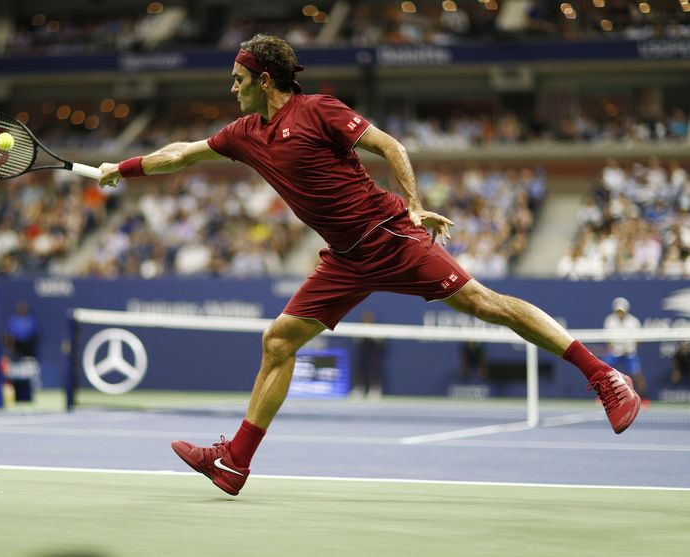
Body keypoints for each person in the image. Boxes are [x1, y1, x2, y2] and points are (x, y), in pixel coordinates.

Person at [98, 34, 641, 496]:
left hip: (389, 236)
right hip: (344, 259)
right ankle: (235, 461)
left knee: (485, 304)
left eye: (238, 78)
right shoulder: (243, 136)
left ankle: (606, 378)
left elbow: (390, 146)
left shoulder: (319, 110)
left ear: (266, 79)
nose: (231, 87)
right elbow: (180, 153)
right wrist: (119, 169)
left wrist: (413, 203)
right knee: (279, 341)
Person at [603, 297, 649, 406]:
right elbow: (609, 340)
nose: (620, 313)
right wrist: (615, 348)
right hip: (616, 353)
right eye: (618, 311)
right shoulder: (610, 321)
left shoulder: (634, 322)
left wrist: (628, 348)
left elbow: (639, 340)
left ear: (626, 310)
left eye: (621, 311)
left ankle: (644, 398)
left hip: (630, 353)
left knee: (637, 375)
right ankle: (603, 397)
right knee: (603, 371)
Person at [351, 309, 385, 399]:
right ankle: (358, 389)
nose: (367, 319)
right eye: (365, 317)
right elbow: (356, 341)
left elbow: (380, 343)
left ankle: (375, 390)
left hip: (373, 356)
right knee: (359, 370)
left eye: (369, 317)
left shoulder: (376, 328)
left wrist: (375, 336)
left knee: (374, 371)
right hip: (362, 355)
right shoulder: (359, 328)